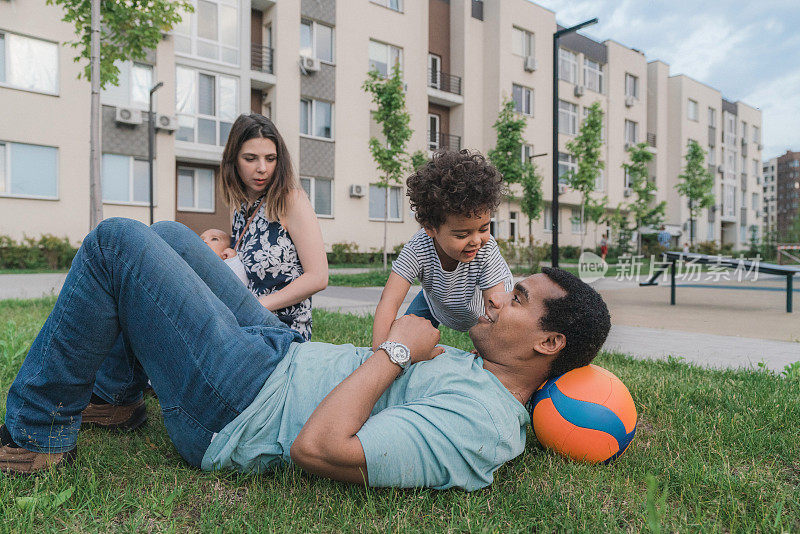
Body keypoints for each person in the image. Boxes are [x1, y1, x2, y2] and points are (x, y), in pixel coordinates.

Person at [0, 219, 611, 490]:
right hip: (280, 355)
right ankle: (111, 399)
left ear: (548, 343)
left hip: (242, 405)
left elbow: (320, 449)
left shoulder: (484, 426)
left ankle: (35, 437)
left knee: (117, 244)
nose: (498, 296)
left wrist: (398, 350)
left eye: (520, 299)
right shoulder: (481, 370)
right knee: (169, 238)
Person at [371, 150, 513, 350]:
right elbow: (389, 302)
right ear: (430, 228)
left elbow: (497, 309)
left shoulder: (486, 250)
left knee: (499, 350)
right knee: (400, 339)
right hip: (436, 302)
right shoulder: (417, 248)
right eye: (462, 235)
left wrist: (490, 349)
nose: (476, 240)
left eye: (483, 228)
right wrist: (379, 353)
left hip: (483, 310)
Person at [223, 113, 328, 341]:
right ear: (233, 161)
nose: (262, 168)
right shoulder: (239, 210)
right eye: (250, 158)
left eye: (270, 158)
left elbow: (318, 277)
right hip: (244, 330)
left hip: (282, 334)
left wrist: (256, 307)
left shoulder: (291, 200)